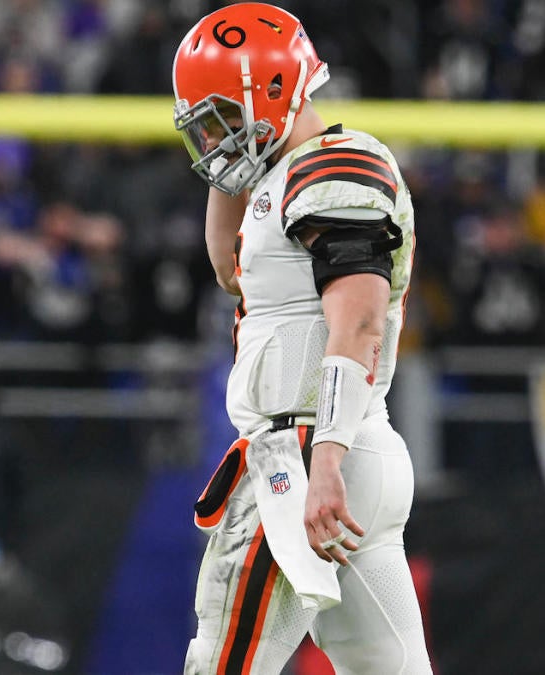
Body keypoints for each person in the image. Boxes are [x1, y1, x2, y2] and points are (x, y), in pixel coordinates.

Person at [172, 4, 431, 673]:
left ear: (278, 91)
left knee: (221, 662)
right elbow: (232, 268)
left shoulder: (337, 167)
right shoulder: (282, 174)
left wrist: (324, 466)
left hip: (308, 452)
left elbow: (360, 322)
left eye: (225, 115)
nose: (214, 136)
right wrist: (227, 169)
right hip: (342, 450)